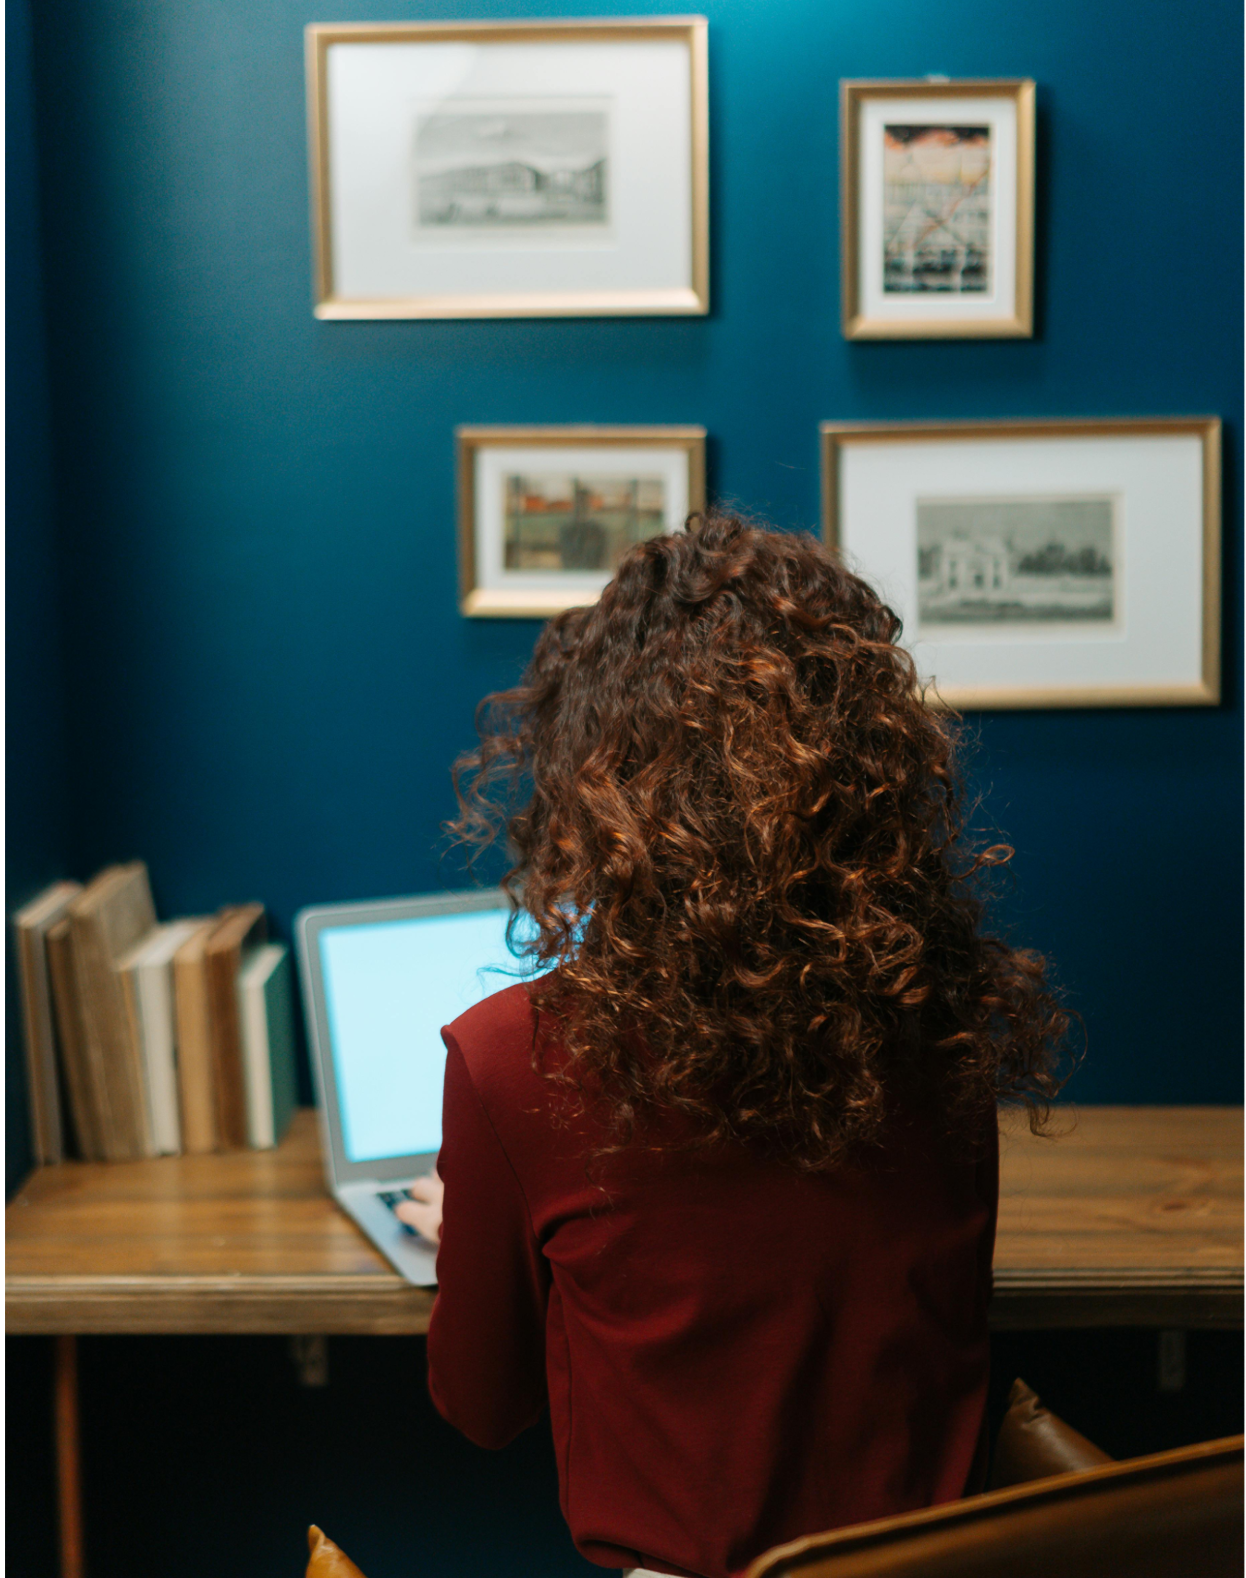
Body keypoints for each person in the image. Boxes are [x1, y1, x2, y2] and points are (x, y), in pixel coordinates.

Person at [396, 515, 1066, 1578]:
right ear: (870, 765)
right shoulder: (931, 1023)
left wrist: (482, 1236)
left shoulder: (510, 1060)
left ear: (596, 780)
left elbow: (481, 1408)